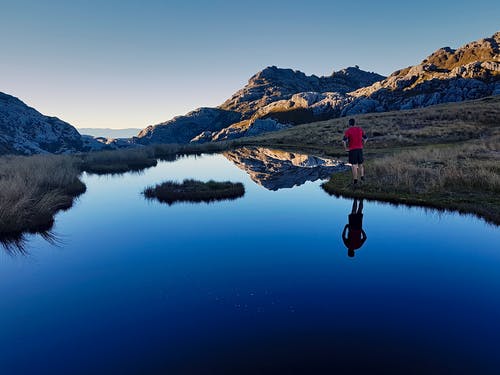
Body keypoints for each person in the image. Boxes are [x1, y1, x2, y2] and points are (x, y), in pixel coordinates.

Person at [342, 118, 367, 186]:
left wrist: (346, 148)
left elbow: (343, 141)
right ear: (355, 123)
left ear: (349, 124)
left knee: (354, 165)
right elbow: (365, 138)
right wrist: (362, 145)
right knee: (360, 164)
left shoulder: (348, 131)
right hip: (360, 149)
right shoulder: (360, 129)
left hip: (352, 150)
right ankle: (362, 177)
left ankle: (355, 180)